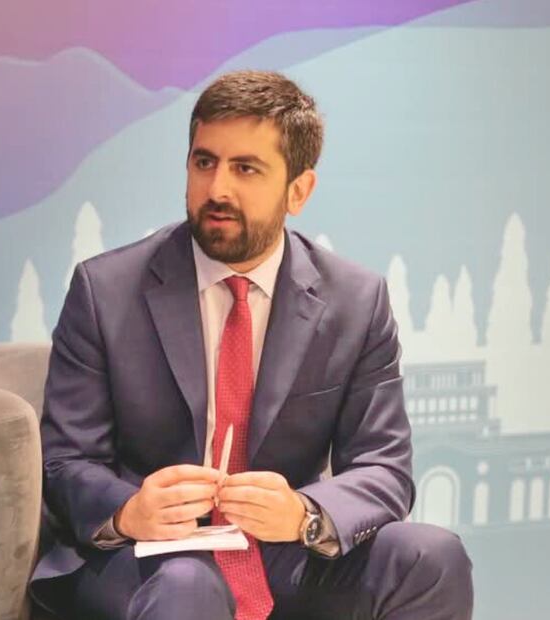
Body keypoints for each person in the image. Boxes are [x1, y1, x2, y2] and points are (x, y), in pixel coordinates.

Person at [30, 70, 473, 620]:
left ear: (299, 190)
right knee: (189, 585)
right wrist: (129, 510)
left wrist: (304, 514)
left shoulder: (355, 301)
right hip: (147, 559)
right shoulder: (106, 290)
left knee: (432, 557)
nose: (217, 189)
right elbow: (65, 460)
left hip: (282, 554)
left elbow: (385, 467)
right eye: (204, 162)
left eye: (246, 169)